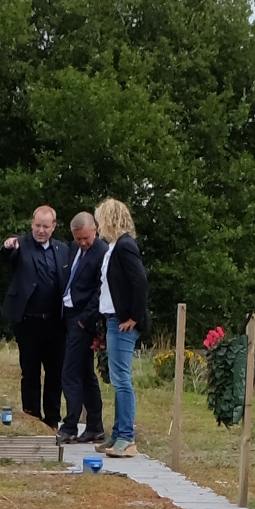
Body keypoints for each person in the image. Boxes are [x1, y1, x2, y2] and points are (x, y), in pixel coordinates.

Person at [0, 203, 70, 423]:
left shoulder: (63, 249)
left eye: (46, 226)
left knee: (55, 373)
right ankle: (31, 417)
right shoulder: (21, 244)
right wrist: (8, 247)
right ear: (31, 223)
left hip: (56, 322)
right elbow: (4, 257)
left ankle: (52, 419)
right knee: (30, 372)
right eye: (37, 225)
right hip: (28, 321)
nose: (41, 230)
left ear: (54, 226)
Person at [93, 195, 150, 455]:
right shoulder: (114, 246)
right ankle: (116, 433)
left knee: (122, 379)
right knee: (117, 379)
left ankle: (127, 436)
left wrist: (134, 317)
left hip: (122, 321)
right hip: (111, 319)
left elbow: (139, 282)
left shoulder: (125, 245)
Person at [58, 211, 106, 444]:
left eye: (86, 238)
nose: (83, 243)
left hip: (83, 317)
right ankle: (95, 425)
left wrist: (85, 319)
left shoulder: (101, 251)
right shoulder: (74, 247)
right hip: (68, 312)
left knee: (69, 372)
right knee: (85, 372)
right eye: (78, 239)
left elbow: (100, 290)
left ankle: (69, 426)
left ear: (95, 229)